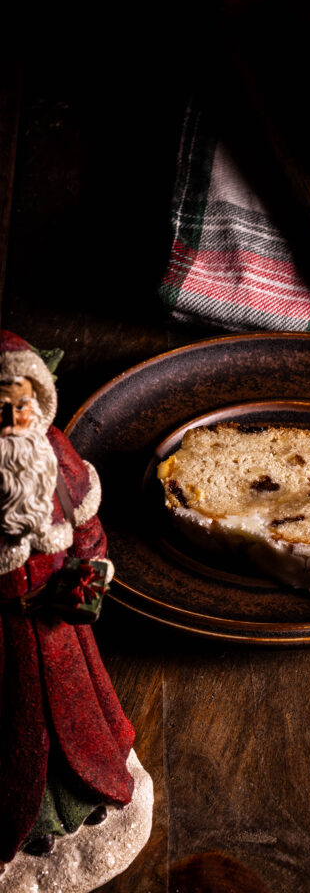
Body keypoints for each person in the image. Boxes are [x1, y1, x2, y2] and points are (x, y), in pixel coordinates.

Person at [0, 330, 136, 863]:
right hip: (5, 636)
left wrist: (90, 567)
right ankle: (29, 820)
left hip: (59, 625)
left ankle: (84, 798)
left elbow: (85, 522)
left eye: (20, 405)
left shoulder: (53, 453)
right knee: (15, 730)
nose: (12, 420)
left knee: (80, 716)